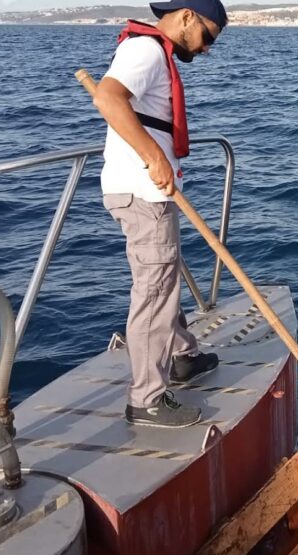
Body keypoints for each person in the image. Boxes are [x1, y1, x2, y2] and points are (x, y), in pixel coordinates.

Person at [91, 0, 227, 428]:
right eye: (207, 36)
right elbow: (110, 99)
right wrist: (154, 156)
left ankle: (183, 356)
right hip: (141, 191)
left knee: (165, 276)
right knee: (154, 288)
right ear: (187, 16)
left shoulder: (154, 52)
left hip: (149, 193)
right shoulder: (146, 51)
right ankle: (146, 399)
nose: (206, 49)